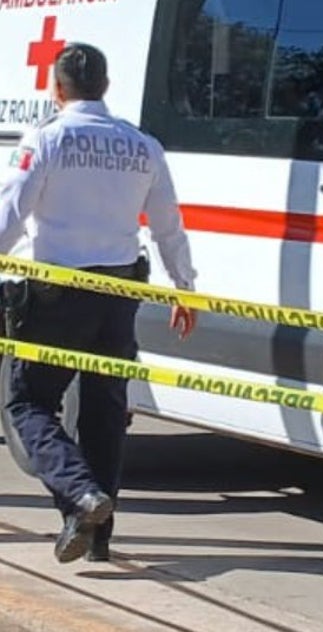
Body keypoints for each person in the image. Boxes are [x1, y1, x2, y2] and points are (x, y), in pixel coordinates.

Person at [0, 43, 197, 564]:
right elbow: (167, 224)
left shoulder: (47, 138)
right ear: (106, 87)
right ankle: (95, 535)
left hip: (57, 293)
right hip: (119, 293)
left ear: (56, 88)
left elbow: (11, 214)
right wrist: (184, 286)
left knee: (27, 404)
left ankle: (82, 496)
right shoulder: (142, 145)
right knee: (104, 414)